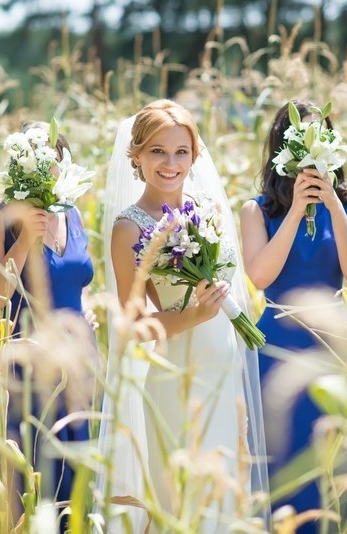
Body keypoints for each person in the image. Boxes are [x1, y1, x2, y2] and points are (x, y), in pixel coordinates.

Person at [97, 99, 268, 532]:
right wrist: (194, 315)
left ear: (194, 155)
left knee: (227, 496)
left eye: (181, 152)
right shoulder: (129, 227)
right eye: (158, 151)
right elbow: (133, 326)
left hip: (224, 366)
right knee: (182, 501)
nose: (171, 163)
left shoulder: (209, 209)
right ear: (136, 156)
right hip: (176, 372)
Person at [239, 99, 347, 532]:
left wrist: (332, 205)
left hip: (334, 343)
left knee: (335, 457)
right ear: (283, 149)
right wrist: (295, 210)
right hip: (277, 343)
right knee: (282, 458)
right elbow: (260, 275)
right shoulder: (256, 210)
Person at [0, 121, 96, 526]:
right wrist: (24, 240)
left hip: (80, 366)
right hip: (28, 370)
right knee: (34, 483)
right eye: (36, 162)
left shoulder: (71, 213)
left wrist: (88, 306)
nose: (47, 171)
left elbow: (76, 277)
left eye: (53, 161)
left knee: (79, 487)